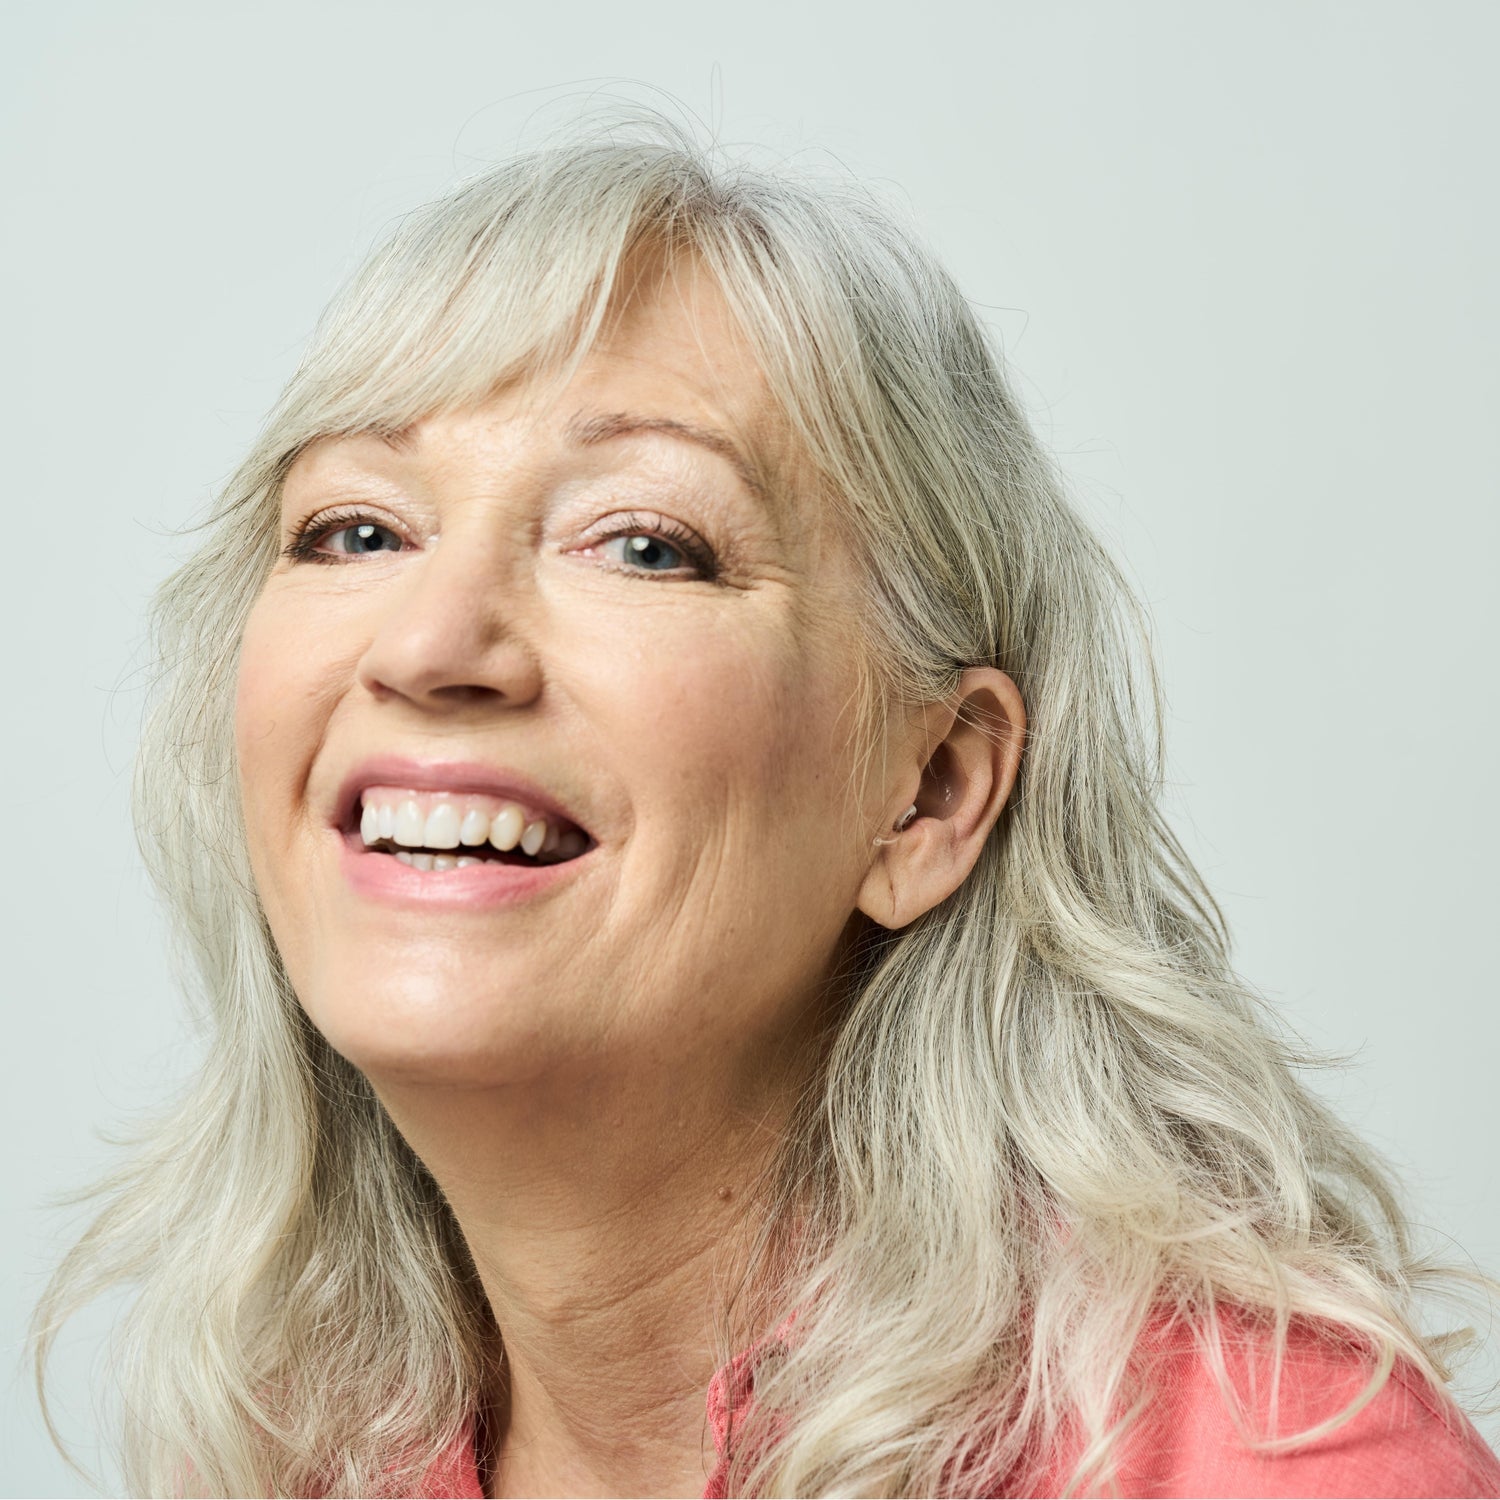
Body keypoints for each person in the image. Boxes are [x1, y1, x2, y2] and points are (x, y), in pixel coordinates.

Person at [32, 112, 1500, 1499]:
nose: (428, 645)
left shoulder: (1264, 1466)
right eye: (356, 528)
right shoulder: (311, 1443)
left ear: (927, 792)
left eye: (646, 545)